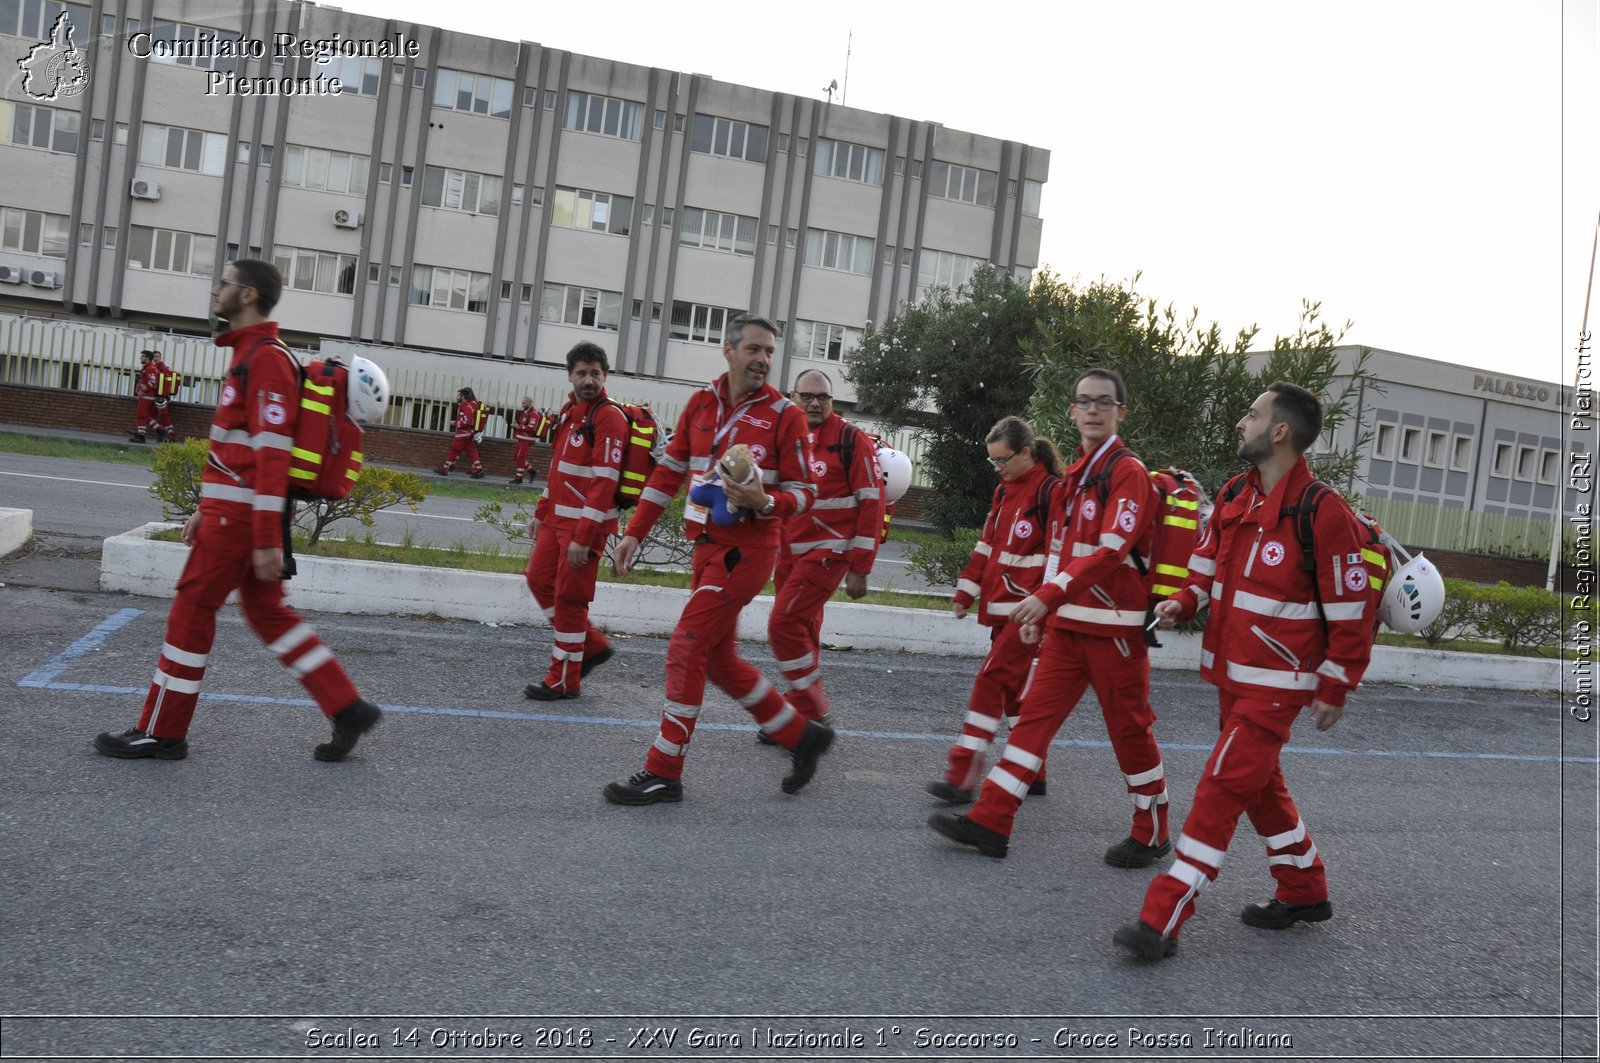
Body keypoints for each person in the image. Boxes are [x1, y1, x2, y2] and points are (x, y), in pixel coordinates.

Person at [1114, 381, 1381, 961]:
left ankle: (1164, 914)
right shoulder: (1237, 493)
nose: (1242, 421)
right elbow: (1204, 567)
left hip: (1279, 686)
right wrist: (1183, 601)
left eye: (1253, 414)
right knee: (1260, 786)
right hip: (1232, 676)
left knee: (1222, 786)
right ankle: (1304, 887)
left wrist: (1336, 684)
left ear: (1279, 431)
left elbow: (1351, 610)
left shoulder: (1322, 511)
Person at [93, 259, 381, 762]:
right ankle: (346, 706)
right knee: (268, 611)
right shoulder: (254, 354)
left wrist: (267, 537)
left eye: (222, 282)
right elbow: (238, 451)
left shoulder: (265, 358)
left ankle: (162, 731)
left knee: (191, 611)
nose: (215, 289)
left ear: (247, 295)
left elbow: (272, 454)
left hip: (243, 521)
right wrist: (207, 507)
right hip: (235, 514)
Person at [928, 368, 1171, 865]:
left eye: (1105, 402)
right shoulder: (1077, 478)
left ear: (1120, 412)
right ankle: (992, 821)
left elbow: (1110, 550)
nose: (1094, 410)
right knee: (1032, 722)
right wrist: (1046, 604)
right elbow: (1061, 550)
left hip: (1114, 632)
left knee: (1130, 732)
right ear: (1072, 411)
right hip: (1067, 626)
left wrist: (1046, 596)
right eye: (1085, 401)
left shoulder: (1127, 472)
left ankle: (1153, 829)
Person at [605, 314, 829, 804]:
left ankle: (664, 769)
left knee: (686, 645)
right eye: (754, 349)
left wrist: (765, 503)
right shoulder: (701, 403)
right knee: (719, 659)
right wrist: (634, 533)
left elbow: (806, 491)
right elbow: (668, 472)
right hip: (706, 548)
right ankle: (802, 736)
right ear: (729, 352)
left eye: (769, 352)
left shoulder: (784, 414)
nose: (763, 360)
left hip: (748, 551)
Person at [926, 415, 1061, 802]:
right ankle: (1034, 769)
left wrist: (1043, 610)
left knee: (989, 682)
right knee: (1013, 693)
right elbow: (988, 544)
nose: (998, 469)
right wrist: (966, 591)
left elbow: (1056, 555)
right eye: (993, 462)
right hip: (1002, 608)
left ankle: (963, 772)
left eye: (1002, 461)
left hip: (1026, 613)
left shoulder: (1051, 492)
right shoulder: (1004, 493)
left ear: (1026, 453)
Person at [762, 368, 885, 731]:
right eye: (808, 396)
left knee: (783, 624)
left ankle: (812, 711)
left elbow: (872, 503)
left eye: (823, 397)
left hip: (828, 554)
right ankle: (803, 714)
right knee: (803, 631)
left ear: (832, 401)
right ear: (792, 396)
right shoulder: (785, 436)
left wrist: (860, 567)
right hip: (789, 556)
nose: (815, 403)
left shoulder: (850, 439)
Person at [522, 343, 626, 700]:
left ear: (605, 376)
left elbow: (604, 482)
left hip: (584, 529)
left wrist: (583, 536)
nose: (588, 379)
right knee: (537, 580)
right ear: (570, 375)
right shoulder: (570, 411)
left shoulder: (609, 417)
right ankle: (592, 645)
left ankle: (565, 678)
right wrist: (540, 513)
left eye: (595, 373)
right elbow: (557, 471)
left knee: (569, 600)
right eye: (582, 372)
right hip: (555, 522)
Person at [435, 387, 485, 478]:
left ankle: (445, 468)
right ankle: (479, 469)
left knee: (454, 450)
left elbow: (467, 422)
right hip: (466, 434)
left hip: (463, 434)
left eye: (458, 395)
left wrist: (454, 423)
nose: (457, 397)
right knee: (471, 451)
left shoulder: (466, 408)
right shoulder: (465, 407)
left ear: (463, 397)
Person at [129, 349, 174, 443]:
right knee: (146, 416)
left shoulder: (150, 368)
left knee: (141, 415)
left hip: (147, 397)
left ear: (147, 358)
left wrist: (142, 390)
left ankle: (142, 436)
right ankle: (158, 430)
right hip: (148, 397)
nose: (140, 358)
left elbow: (152, 382)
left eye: (142, 356)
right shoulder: (151, 368)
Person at [509, 396, 553, 485]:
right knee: (517, 457)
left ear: (529, 403)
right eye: (522, 403)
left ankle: (519, 478)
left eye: (524, 403)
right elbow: (523, 424)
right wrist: (515, 425)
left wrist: (519, 427)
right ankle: (532, 472)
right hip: (521, 438)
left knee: (520, 457)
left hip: (527, 439)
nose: (522, 405)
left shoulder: (534, 414)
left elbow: (532, 427)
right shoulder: (525, 413)